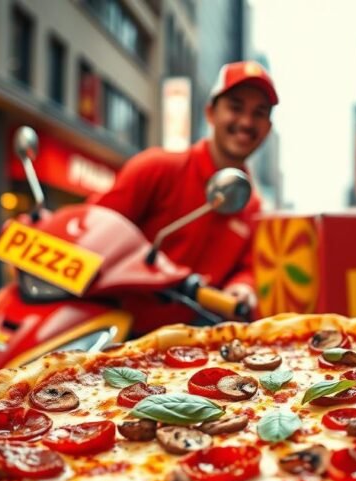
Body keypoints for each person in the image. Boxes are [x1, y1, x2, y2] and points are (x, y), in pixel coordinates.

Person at [90, 61, 277, 327]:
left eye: (259, 113)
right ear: (210, 113)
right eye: (236, 107)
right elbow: (94, 226)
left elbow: (247, 268)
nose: (247, 122)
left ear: (267, 128)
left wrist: (242, 287)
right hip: (115, 328)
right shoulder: (156, 167)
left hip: (191, 343)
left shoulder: (253, 206)